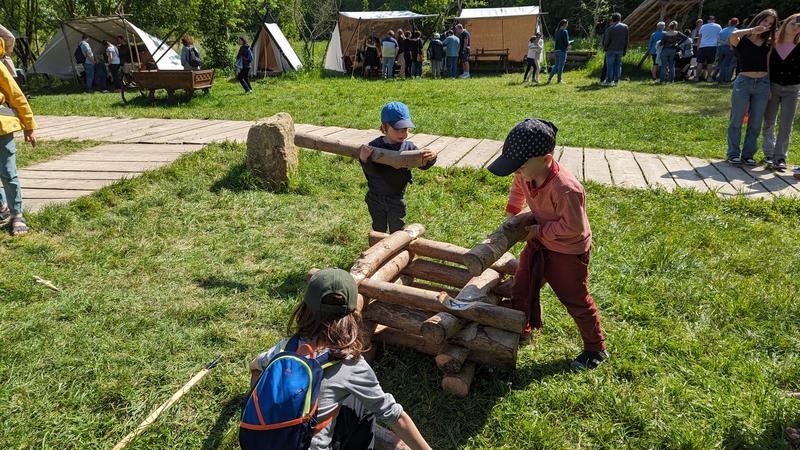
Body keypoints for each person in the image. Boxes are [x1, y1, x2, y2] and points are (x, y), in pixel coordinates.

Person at [247, 268, 433, 450]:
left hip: (261, 440)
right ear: (352, 315)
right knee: (361, 401)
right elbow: (393, 415)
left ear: (305, 308)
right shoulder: (351, 365)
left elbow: (255, 366)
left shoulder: (285, 347)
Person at [486, 119, 608, 370]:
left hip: (568, 252)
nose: (516, 173)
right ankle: (523, 330)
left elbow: (572, 228)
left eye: (519, 167)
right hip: (541, 241)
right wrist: (512, 216)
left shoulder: (566, 190)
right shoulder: (526, 174)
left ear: (546, 159)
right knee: (523, 285)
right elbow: (517, 188)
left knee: (574, 298)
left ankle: (596, 348)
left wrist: (538, 230)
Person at [358, 102, 436, 233]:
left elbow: (422, 166)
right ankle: (377, 250)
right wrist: (364, 159)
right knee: (378, 227)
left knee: (397, 228)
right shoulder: (374, 146)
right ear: (384, 127)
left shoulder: (409, 147)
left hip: (395, 198)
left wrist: (431, 158)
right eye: (397, 129)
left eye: (405, 129)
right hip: (375, 196)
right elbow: (371, 173)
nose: (402, 133)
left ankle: (397, 251)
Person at [726, 9, 778, 166]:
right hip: (743, 82)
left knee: (755, 123)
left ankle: (748, 155)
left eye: (770, 24)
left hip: (762, 83)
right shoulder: (742, 39)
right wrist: (751, 30)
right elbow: (733, 36)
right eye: (765, 21)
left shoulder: (769, 42)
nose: (767, 25)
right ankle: (733, 154)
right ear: (758, 20)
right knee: (736, 120)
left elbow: (769, 64)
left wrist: (768, 86)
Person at [0, 38, 36, 236]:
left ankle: (17, 214)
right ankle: (1, 207)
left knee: (7, 171)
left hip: (1, 129)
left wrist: (28, 126)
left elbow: (16, 96)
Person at [763, 12, 799, 172]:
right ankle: (769, 154)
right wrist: (767, 87)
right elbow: (768, 65)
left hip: (792, 89)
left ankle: (780, 157)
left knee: (786, 124)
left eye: (799, 25)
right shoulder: (773, 42)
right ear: (786, 23)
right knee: (769, 121)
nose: (796, 27)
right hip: (773, 86)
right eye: (793, 23)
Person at [601, 12, 629, 86]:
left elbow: (606, 41)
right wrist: (625, 49)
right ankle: (616, 81)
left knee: (610, 66)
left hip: (610, 50)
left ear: (612, 19)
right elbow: (626, 40)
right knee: (618, 65)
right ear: (620, 18)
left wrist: (604, 48)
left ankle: (609, 81)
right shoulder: (625, 27)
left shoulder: (609, 29)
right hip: (620, 49)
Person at [696, 16, 722, 81]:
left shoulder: (703, 26)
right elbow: (720, 36)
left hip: (703, 46)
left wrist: (698, 47)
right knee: (710, 63)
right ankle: (709, 77)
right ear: (714, 20)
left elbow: (700, 38)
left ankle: (696, 78)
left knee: (700, 63)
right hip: (713, 46)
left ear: (708, 20)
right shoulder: (718, 26)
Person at [715, 17, 739, 83]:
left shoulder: (723, 30)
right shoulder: (736, 30)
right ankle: (726, 79)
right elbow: (731, 40)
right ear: (736, 23)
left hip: (721, 48)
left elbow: (718, 40)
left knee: (722, 63)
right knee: (729, 64)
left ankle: (720, 78)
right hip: (730, 48)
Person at [548, 19, 570, 84]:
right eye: (567, 24)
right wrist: (569, 45)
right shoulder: (564, 31)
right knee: (561, 66)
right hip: (562, 50)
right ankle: (559, 80)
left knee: (556, 65)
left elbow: (557, 41)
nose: (567, 25)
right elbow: (566, 42)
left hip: (556, 50)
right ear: (564, 24)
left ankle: (549, 79)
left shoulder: (556, 31)